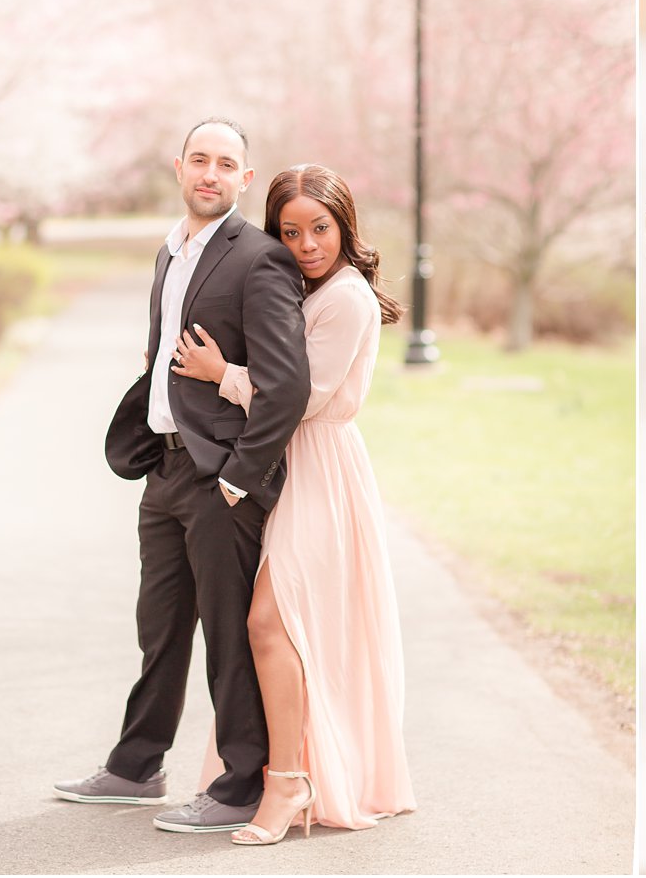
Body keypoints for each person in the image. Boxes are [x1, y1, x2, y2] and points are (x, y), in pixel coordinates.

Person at [55, 117, 310, 833]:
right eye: (200, 159)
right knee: (160, 626)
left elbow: (285, 386)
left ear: (245, 179)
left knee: (228, 636)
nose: (211, 172)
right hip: (165, 470)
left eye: (226, 163)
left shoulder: (259, 259)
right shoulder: (171, 252)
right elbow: (161, 347)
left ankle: (238, 785)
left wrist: (237, 477)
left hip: (222, 480)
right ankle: (136, 766)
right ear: (178, 167)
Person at [172, 163, 415, 845]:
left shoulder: (345, 298)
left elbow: (300, 398)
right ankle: (294, 768)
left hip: (321, 463)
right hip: (290, 460)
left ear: (345, 225)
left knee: (270, 623)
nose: (308, 243)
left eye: (320, 228)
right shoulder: (305, 289)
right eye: (291, 231)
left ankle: (288, 781)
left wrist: (224, 376)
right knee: (291, 629)